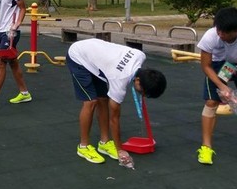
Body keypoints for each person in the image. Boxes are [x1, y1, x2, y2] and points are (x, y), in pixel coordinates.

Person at [66, 39, 167, 168]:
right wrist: (120, 150)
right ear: (137, 81)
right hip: (78, 56)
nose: (142, 95)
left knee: (103, 99)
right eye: (143, 92)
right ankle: (83, 146)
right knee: (91, 101)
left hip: (97, 58)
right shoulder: (119, 80)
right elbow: (114, 119)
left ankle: (104, 142)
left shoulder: (140, 55)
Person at [196, 6, 237, 165]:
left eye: (224, 32)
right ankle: (206, 147)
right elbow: (206, 66)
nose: (220, 34)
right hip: (219, 64)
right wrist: (223, 87)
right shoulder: (211, 36)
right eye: (218, 30)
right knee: (211, 103)